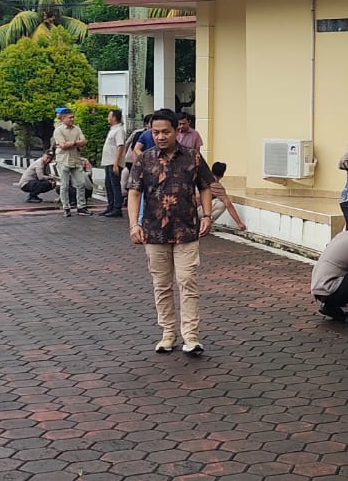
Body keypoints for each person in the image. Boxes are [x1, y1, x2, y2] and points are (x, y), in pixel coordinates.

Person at [128, 110, 216, 356]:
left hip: (186, 230)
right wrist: (134, 224)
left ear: (177, 130)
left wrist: (207, 215)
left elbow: (205, 186)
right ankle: (168, 333)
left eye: (165, 132)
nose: (160, 136)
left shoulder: (192, 157)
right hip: (154, 232)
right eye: (155, 132)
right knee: (162, 284)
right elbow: (134, 192)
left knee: (187, 280)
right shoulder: (144, 159)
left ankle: (191, 336)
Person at [51, 106, 90, 217]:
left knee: (81, 183)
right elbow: (63, 145)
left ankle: (81, 207)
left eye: (73, 117)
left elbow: (84, 141)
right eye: (70, 118)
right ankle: (66, 207)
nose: (72, 119)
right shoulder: (58, 130)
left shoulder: (77, 129)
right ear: (63, 119)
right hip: (63, 160)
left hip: (76, 159)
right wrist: (76, 142)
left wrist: (72, 143)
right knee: (65, 185)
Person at [101, 109, 127, 218]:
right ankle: (110, 205)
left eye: (109, 116)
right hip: (108, 161)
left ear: (114, 118)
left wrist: (116, 163)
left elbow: (120, 146)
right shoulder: (113, 129)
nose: (108, 118)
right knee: (108, 185)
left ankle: (117, 208)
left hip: (114, 162)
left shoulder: (119, 130)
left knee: (115, 185)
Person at [207, 161, 247, 232]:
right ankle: (205, 223)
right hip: (197, 211)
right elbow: (228, 204)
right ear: (222, 175)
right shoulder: (216, 186)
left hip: (189, 209)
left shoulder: (203, 178)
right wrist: (239, 223)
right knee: (221, 204)